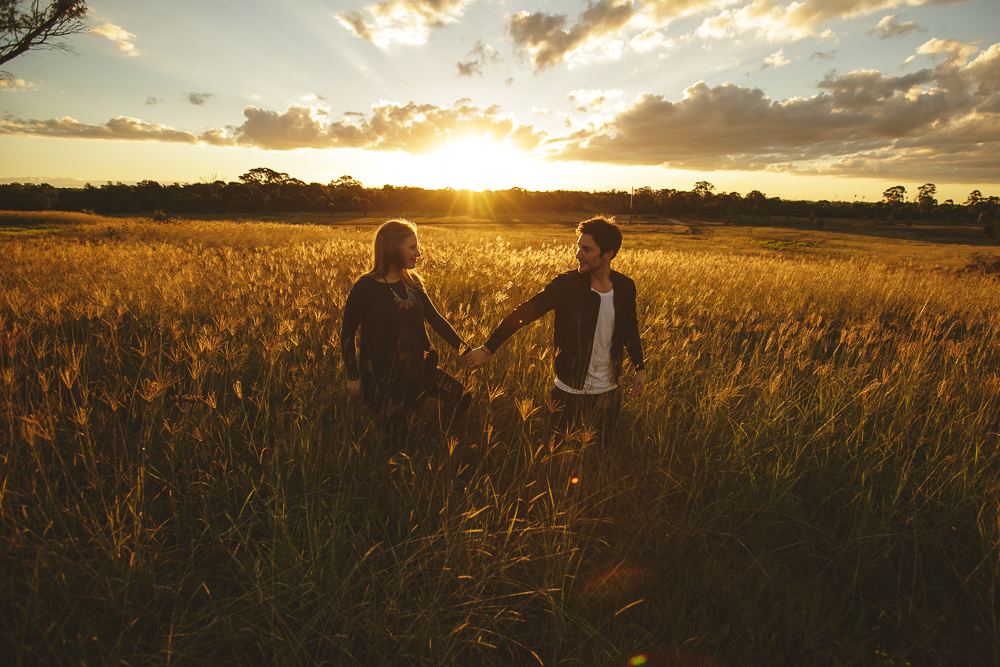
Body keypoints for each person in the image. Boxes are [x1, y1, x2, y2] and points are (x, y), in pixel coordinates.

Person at [465, 215, 645, 445]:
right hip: (569, 392)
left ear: (607, 253)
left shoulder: (625, 286)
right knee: (558, 453)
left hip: (608, 393)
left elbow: (631, 328)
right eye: (578, 247)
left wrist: (639, 366)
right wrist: (489, 348)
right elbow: (524, 313)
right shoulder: (566, 285)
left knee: (601, 453)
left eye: (587, 249)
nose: (578, 254)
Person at [341, 219, 472, 435]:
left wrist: (465, 350)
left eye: (417, 247)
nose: (418, 253)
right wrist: (353, 375)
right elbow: (347, 334)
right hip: (385, 377)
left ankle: (432, 437)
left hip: (420, 368)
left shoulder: (413, 282)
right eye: (412, 247)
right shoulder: (364, 287)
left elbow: (436, 319)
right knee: (397, 437)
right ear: (393, 248)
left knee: (462, 396)